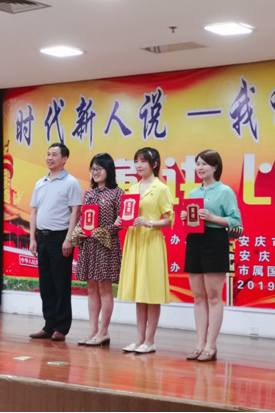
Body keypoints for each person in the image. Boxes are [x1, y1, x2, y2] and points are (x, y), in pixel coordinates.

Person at [180, 150, 243, 362]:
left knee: (214, 296)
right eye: (197, 164)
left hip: (215, 242)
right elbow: (192, 221)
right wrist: (185, 217)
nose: (200, 168)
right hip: (194, 242)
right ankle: (199, 344)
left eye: (204, 164)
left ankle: (211, 345)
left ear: (215, 167)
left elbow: (236, 222)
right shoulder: (193, 193)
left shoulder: (225, 191)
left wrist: (212, 217)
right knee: (198, 297)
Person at [115, 147, 174, 354]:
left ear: (154, 164)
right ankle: (139, 339)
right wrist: (121, 221)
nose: (138, 165)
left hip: (151, 242)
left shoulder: (162, 189)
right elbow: (128, 215)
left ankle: (150, 341)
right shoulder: (132, 189)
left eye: (143, 161)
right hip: (134, 241)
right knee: (140, 292)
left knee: (152, 292)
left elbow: (168, 220)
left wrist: (149, 223)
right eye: (136, 161)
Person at [28, 143, 82, 341]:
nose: (49, 158)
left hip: (60, 238)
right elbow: (34, 211)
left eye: (54, 154)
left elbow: (75, 212)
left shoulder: (71, 182)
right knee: (46, 284)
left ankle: (61, 327)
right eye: (48, 154)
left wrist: (69, 238)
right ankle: (48, 325)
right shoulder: (40, 183)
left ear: (64, 159)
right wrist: (32, 238)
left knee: (61, 284)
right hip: (42, 238)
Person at [72, 153, 123, 346]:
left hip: (106, 246)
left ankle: (103, 331)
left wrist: (102, 231)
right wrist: (79, 231)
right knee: (91, 288)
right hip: (88, 245)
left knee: (104, 289)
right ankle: (92, 330)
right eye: (93, 169)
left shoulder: (117, 193)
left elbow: (121, 222)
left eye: (99, 168)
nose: (95, 172)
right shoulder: (89, 193)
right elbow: (83, 218)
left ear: (108, 169)